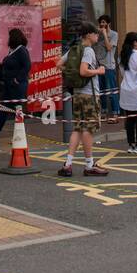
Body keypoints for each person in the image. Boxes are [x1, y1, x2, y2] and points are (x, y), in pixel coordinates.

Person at [58, 24, 109, 177]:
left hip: (78, 94)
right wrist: (98, 71)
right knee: (88, 129)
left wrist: (72, 75)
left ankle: (67, 164)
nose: (97, 36)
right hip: (89, 95)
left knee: (78, 129)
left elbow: (58, 64)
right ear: (88, 35)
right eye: (95, 33)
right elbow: (84, 70)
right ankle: (89, 165)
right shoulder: (88, 51)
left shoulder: (74, 49)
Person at [0, 27, 30, 136]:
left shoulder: (21, 50)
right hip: (9, 85)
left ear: (13, 38)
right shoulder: (12, 51)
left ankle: (20, 134)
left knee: (17, 109)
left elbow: (27, 66)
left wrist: (17, 79)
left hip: (17, 86)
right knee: (3, 107)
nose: (8, 39)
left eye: (9, 36)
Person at [97, 15, 120, 118]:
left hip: (109, 66)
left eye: (104, 22)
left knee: (112, 90)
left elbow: (109, 48)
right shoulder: (97, 35)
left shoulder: (114, 34)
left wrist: (105, 35)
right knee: (101, 91)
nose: (102, 24)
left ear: (108, 23)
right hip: (98, 67)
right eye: (100, 23)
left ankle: (115, 112)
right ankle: (104, 111)